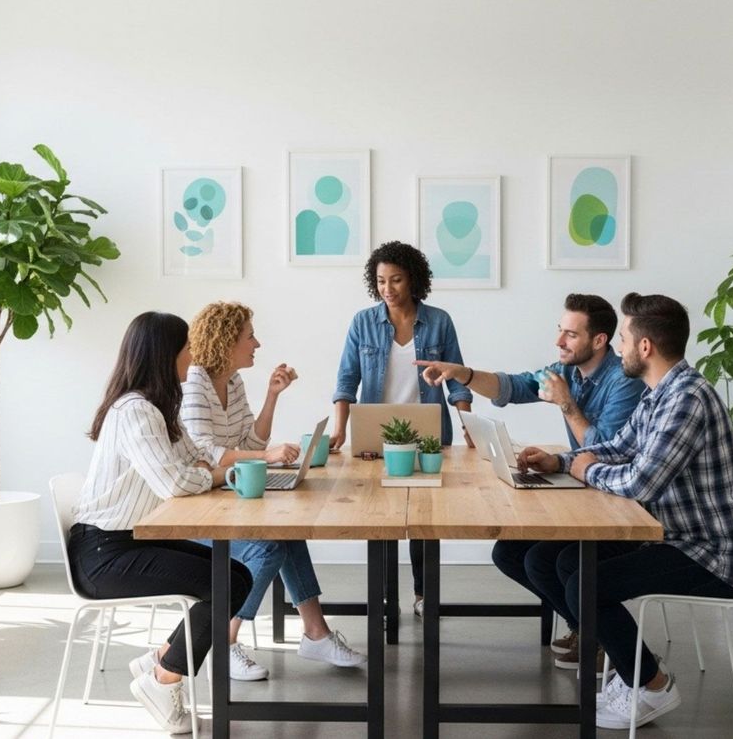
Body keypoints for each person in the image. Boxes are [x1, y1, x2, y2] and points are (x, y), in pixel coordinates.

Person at [517, 293, 733, 730]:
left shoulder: (687, 400)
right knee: (549, 560)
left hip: (714, 554)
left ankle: (652, 683)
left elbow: (639, 482)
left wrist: (586, 469)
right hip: (673, 535)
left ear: (645, 347)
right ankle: (630, 668)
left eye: (625, 338)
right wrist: (561, 462)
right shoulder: (660, 393)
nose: (621, 348)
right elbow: (619, 448)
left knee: (585, 585)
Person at [415, 293, 646, 669]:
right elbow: (515, 386)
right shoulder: (568, 370)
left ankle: (599, 637)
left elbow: (606, 448)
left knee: (542, 559)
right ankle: (585, 628)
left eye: (570, 335)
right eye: (560, 331)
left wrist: (567, 403)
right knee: (507, 552)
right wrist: (464, 375)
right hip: (585, 490)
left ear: (600, 341)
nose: (559, 342)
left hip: (620, 503)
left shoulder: (624, 381)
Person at [67, 311, 254, 734]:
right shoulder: (136, 412)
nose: (193, 356)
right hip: (103, 554)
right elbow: (175, 481)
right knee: (223, 583)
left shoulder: (160, 408)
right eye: (186, 348)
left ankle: (161, 660)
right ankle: (163, 679)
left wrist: (205, 472)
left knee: (237, 576)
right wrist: (214, 475)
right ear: (164, 354)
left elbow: (195, 461)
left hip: (131, 541)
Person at [182, 301, 366, 680]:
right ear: (226, 341)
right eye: (249, 336)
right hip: (193, 512)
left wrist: (272, 395)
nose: (257, 343)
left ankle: (316, 633)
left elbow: (249, 438)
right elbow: (206, 451)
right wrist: (265, 455)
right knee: (267, 546)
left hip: (222, 496)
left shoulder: (231, 381)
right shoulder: (194, 384)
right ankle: (224, 641)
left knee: (287, 529)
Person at [331, 240, 474, 617]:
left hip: (429, 432)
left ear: (413, 280)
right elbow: (347, 380)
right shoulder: (363, 323)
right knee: (381, 518)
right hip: (376, 432)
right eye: (380, 281)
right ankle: (383, 598)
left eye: (396, 280)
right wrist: (340, 428)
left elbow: (456, 378)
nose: (388, 289)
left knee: (425, 520)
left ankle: (424, 594)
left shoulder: (439, 321)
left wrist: (467, 424)